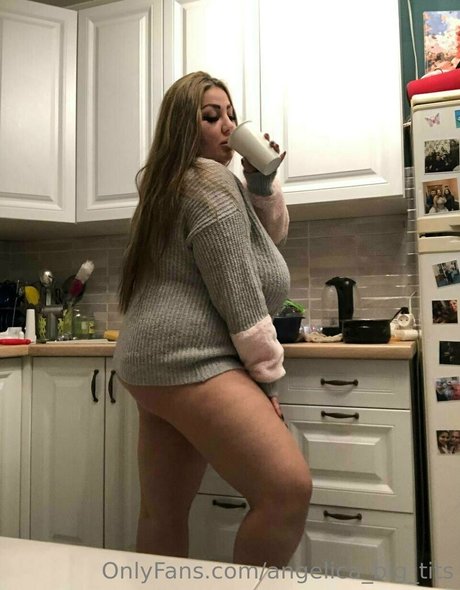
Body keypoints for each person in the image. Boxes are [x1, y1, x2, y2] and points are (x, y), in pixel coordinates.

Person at [114, 71, 312, 567]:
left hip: (150, 364)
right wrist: (267, 381)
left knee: (162, 513)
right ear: (184, 126)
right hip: (190, 359)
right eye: (210, 117)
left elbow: (263, 242)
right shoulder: (207, 180)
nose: (227, 125)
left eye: (230, 114)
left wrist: (260, 182)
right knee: (287, 491)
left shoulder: (173, 184)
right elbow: (239, 292)